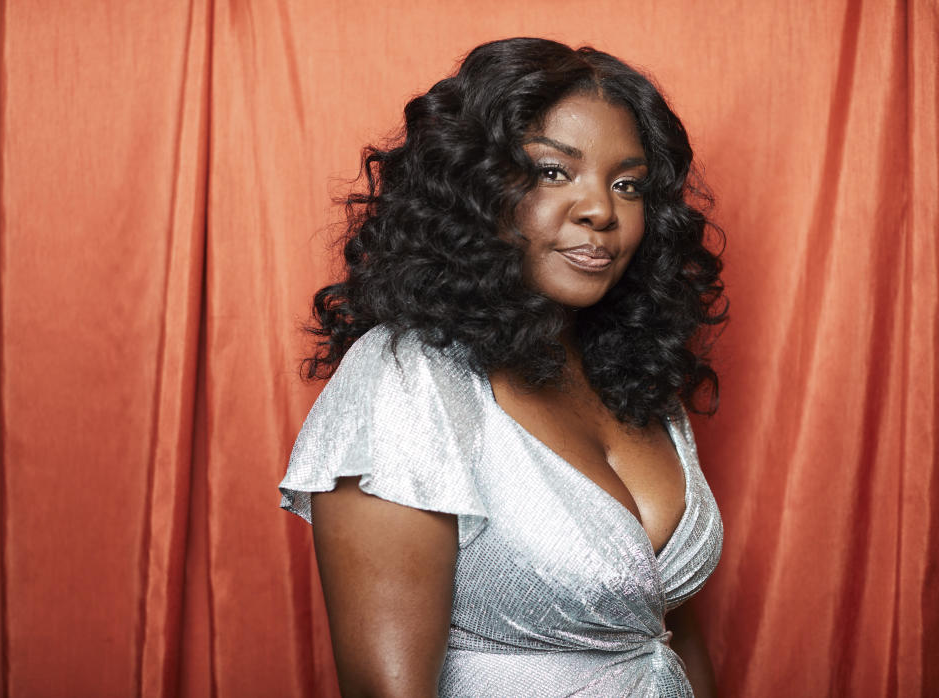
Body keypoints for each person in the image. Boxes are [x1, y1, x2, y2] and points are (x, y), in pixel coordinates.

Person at [279, 37, 727, 697]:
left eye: (626, 183)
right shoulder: (407, 384)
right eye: (554, 172)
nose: (601, 209)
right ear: (475, 187)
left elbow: (662, 634)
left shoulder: (636, 378)